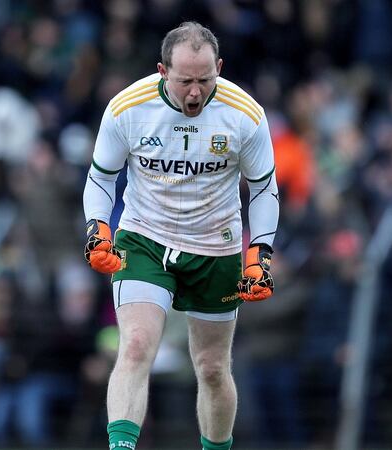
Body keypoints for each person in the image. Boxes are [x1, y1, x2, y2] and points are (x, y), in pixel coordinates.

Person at [81, 21, 279, 450]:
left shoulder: (245, 114)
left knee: (211, 367)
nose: (195, 92)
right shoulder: (126, 108)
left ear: (219, 68)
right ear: (162, 71)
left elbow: (264, 188)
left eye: (205, 80)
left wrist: (258, 252)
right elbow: (100, 179)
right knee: (134, 346)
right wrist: (98, 230)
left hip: (215, 247)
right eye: (185, 81)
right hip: (144, 239)